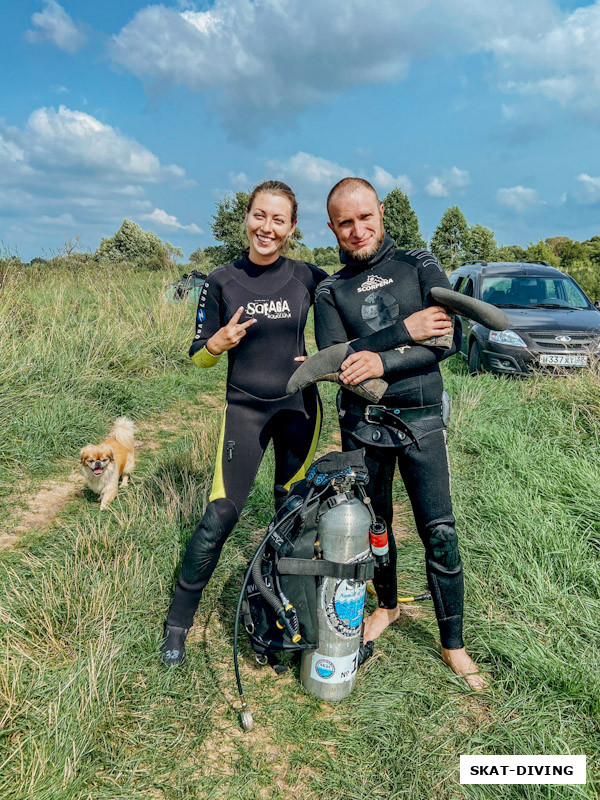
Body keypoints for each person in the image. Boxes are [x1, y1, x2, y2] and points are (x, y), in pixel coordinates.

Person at [314, 177, 486, 690]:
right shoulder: (329, 289)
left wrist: (381, 357)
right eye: (345, 222)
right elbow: (339, 362)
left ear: (381, 212)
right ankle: (385, 607)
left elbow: (446, 340)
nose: (357, 229)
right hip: (363, 426)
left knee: (440, 531)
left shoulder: (419, 262)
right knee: (376, 527)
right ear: (332, 228)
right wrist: (404, 333)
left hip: (421, 417)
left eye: (365, 217)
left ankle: (452, 642)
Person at [161, 181, 326, 666]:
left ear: (292, 227)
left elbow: (348, 314)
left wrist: (330, 355)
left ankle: (283, 619)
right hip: (245, 410)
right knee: (220, 516)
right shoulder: (220, 280)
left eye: (279, 219)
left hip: (299, 409)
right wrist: (217, 344)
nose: (267, 228)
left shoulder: (308, 277)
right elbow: (197, 356)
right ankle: (177, 624)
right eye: (260, 215)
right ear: (247, 218)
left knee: (292, 517)